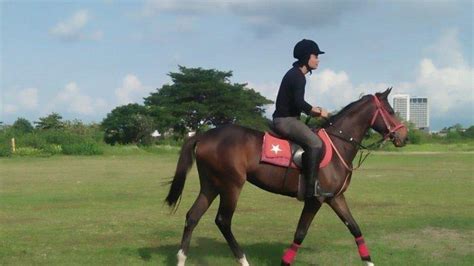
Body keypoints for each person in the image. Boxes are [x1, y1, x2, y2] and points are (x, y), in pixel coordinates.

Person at [272, 39, 331, 199]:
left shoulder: (295, 74)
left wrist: (312, 111)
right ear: (306, 57)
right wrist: (317, 112)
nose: (318, 60)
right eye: (315, 56)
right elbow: (299, 102)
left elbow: (297, 103)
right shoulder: (298, 77)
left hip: (289, 119)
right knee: (316, 143)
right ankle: (311, 189)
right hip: (285, 120)